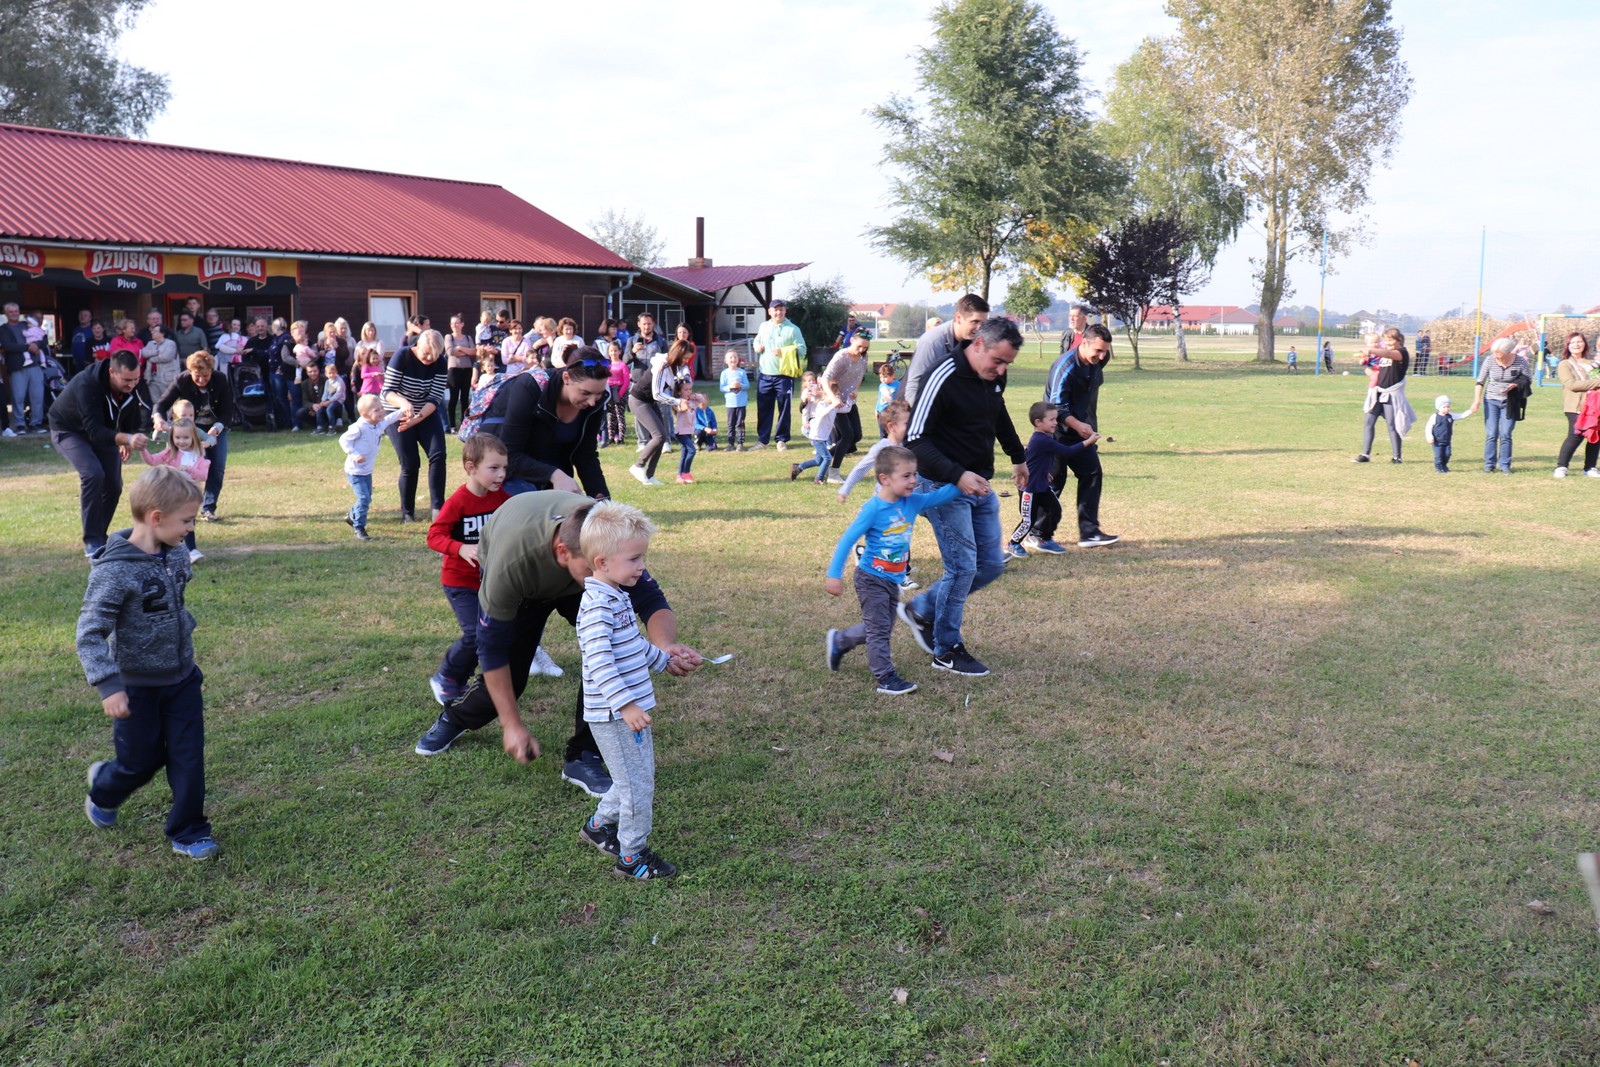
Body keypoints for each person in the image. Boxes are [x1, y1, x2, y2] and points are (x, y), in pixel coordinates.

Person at [410, 490, 704, 803]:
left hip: (574, 585)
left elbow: (649, 598)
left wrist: (665, 646)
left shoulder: (603, 541)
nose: (601, 574)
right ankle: (455, 718)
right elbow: (491, 650)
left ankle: (582, 757)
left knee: (613, 656)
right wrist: (512, 725)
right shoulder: (511, 564)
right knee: (512, 677)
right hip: (524, 588)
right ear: (565, 552)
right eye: (592, 568)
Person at [77, 465, 217, 859]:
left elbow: (175, 604)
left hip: (183, 678)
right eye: (186, 520)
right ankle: (106, 786)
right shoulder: (114, 570)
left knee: (188, 756)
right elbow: (89, 631)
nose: (191, 527)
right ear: (156, 518)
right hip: (138, 686)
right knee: (140, 761)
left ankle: (189, 830)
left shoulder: (175, 555)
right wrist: (109, 684)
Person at [899, 317, 1028, 677]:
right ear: (977, 345)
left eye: (1007, 364)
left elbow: (997, 414)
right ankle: (946, 649)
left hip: (979, 484)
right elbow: (914, 441)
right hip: (940, 486)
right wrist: (957, 475)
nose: (1001, 370)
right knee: (962, 568)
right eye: (997, 361)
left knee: (990, 565)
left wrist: (1018, 457)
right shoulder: (942, 377)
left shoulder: (993, 377)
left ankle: (922, 609)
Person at [574, 500, 683, 880]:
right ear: (602, 562)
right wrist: (626, 707)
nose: (642, 567)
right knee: (638, 788)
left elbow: (632, 644)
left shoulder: (616, 595)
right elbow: (600, 663)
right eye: (635, 559)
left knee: (633, 780)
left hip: (626, 713)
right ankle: (632, 856)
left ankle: (599, 825)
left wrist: (663, 659)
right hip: (615, 716)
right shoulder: (596, 608)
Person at [824, 444, 962, 696]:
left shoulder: (911, 502)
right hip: (871, 579)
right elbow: (846, 540)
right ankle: (885, 677)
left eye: (915, 474)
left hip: (892, 579)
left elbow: (940, 496)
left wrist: (965, 478)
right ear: (884, 480)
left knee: (880, 627)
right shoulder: (873, 509)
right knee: (879, 631)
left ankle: (840, 641)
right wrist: (834, 575)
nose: (914, 481)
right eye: (907, 476)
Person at [427, 433, 512, 705]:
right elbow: (434, 536)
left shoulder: (501, 499)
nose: (501, 475)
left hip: (488, 583)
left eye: (504, 468)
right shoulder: (458, 502)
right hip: (460, 583)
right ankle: (446, 677)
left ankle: (461, 680)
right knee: (476, 633)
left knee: (492, 632)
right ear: (471, 468)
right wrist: (460, 548)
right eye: (494, 468)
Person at [49, 350, 150, 556]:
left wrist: (126, 437)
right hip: (69, 429)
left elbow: (131, 412)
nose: (132, 384)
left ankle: (100, 536)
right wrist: (127, 438)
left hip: (104, 431)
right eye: (127, 380)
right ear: (112, 372)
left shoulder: (134, 384)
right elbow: (94, 430)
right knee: (93, 474)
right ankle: (93, 541)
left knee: (113, 484)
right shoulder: (88, 384)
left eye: (136, 379)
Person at [485, 347, 610, 498]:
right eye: (585, 393)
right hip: (510, 474)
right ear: (566, 378)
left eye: (598, 394)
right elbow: (508, 454)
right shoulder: (529, 387)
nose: (592, 402)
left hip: (553, 473)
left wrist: (603, 501)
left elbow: (585, 455)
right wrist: (554, 474)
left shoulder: (595, 402)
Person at [1047, 323, 1120, 548]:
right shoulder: (1065, 366)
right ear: (1084, 343)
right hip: (1056, 434)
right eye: (1097, 350)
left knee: (1092, 473)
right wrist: (1078, 425)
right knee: (1052, 482)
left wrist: (1084, 426)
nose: (1101, 355)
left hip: (1082, 433)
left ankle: (1089, 532)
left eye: (1105, 351)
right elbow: (1056, 406)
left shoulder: (1098, 361)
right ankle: (1038, 533)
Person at [1007, 402, 1098, 558]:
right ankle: (1013, 544)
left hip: (1042, 485)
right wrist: (1089, 441)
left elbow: (1034, 457)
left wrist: (1043, 472)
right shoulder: (1041, 439)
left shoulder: (1044, 438)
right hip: (1030, 489)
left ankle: (1044, 538)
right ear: (1038, 422)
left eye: (1056, 419)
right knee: (1028, 521)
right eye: (1052, 420)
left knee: (1054, 510)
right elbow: (1066, 451)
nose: (1056, 423)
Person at [152, 352, 234, 523]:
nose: (202, 380)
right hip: (189, 429)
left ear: (212, 371)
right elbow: (161, 404)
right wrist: (158, 418)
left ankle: (208, 508)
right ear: (190, 371)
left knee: (217, 467)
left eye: (206, 376)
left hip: (215, 427)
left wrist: (216, 430)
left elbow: (227, 411)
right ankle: (180, 507)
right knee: (183, 468)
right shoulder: (181, 380)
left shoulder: (221, 379)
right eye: (197, 376)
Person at [383, 328, 450, 521]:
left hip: (425, 413)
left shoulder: (441, 363)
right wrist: (404, 404)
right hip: (396, 412)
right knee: (410, 463)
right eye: (425, 353)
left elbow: (436, 397)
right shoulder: (401, 356)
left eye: (434, 355)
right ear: (417, 346)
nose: (429, 358)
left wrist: (417, 417)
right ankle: (407, 513)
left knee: (438, 455)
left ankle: (438, 509)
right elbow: (388, 391)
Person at [139, 417, 210, 562]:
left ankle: (192, 550)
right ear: (172, 437)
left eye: (186, 437)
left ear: (193, 438)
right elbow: (152, 461)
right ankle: (161, 549)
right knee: (168, 521)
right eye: (177, 437)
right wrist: (142, 449)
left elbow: (203, 475)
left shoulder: (199, 456)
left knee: (187, 522)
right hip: (170, 495)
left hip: (189, 496)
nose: (181, 441)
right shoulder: (170, 452)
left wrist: (189, 470)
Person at [902, 294, 989, 408]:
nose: (979, 328)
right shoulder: (932, 342)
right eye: (974, 322)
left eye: (983, 323)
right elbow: (914, 387)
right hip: (915, 412)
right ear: (958, 318)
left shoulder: (976, 342)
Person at [339, 394, 405, 541]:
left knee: (367, 499)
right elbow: (343, 440)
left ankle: (352, 515)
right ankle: (359, 528)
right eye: (377, 410)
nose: (382, 411)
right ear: (365, 414)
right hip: (355, 471)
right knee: (363, 498)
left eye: (382, 407)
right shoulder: (359, 427)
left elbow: (389, 419)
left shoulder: (378, 423)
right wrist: (355, 455)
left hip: (366, 471)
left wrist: (403, 410)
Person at [1462, 336, 1529, 474]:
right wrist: (1477, 400)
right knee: (1492, 433)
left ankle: (1505, 464)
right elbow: (1480, 381)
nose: (1497, 357)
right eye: (1495, 354)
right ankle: (1489, 464)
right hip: (1491, 400)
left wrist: (1515, 384)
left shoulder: (1520, 361)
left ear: (1508, 352)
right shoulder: (1490, 360)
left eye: (1500, 354)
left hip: (1510, 401)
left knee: (1506, 433)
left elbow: (1528, 379)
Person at [750, 299, 807, 449]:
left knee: (784, 408)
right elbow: (756, 341)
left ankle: (781, 440)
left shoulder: (793, 329)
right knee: (763, 408)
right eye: (775, 310)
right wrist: (757, 347)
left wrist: (784, 351)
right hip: (765, 374)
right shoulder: (764, 326)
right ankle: (762, 441)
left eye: (781, 310)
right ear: (769, 312)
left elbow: (802, 350)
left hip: (784, 376)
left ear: (785, 311)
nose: (778, 312)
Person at [1352, 328, 1414, 465]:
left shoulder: (1401, 353)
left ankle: (1397, 456)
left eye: (1391, 340)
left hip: (1391, 394)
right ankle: (1365, 454)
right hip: (1378, 393)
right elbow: (1374, 368)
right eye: (1385, 340)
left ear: (1399, 340)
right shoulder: (1383, 354)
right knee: (1369, 422)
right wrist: (1368, 369)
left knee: (1392, 424)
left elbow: (1388, 353)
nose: (1388, 343)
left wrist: (1371, 350)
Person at [627, 335, 678, 486]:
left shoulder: (673, 367)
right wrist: (678, 402)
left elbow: (676, 387)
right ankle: (638, 466)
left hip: (649, 401)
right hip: (638, 400)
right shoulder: (661, 364)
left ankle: (649, 476)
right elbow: (657, 394)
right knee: (659, 435)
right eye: (686, 356)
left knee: (661, 437)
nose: (687, 360)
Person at [838, 398, 911, 501]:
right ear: (891, 427)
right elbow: (861, 469)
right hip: (882, 501)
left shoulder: (910, 445)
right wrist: (845, 490)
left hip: (902, 502)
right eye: (907, 424)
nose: (912, 426)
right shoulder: (881, 448)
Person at [822, 331, 871, 478]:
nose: (862, 350)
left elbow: (859, 376)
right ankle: (833, 472)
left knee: (856, 436)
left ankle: (817, 460)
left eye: (865, 347)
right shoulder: (841, 357)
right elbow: (825, 378)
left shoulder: (863, 357)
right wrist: (833, 398)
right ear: (851, 341)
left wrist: (856, 389)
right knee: (847, 436)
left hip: (849, 402)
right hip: (836, 402)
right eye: (859, 346)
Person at [1552, 332, 1600, 478]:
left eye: (1579, 342)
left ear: (1585, 344)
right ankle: (1562, 466)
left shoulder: (1591, 362)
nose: (1576, 345)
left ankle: (1590, 467)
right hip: (1575, 406)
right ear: (1568, 345)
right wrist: (1597, 383)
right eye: (1573, 342)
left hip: (1594, 406)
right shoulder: (1565, 364)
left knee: (1595, 436)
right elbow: (1572, 384)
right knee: (1575, 435)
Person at [1, 302, 46, 435]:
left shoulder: (26, 324)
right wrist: (28, 347)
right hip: (16, 368)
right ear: (6, 314)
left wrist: (37, 345)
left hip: (35, 365)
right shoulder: (3, 329)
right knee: (18, 397)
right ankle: (20, 425)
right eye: (11, 312)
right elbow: (8, 346)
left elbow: (42, 338)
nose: (14, 313)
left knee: (37, 396)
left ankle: (36, 423)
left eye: (16, 311)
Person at [790, 372, 839, 485]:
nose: (837, 397)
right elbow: (821, 414)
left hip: (822, 437)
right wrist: (834, 404)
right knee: (827, 458)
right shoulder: (822, 405)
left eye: (837, 395)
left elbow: (846, 409)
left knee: (818, 460)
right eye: (835, 395)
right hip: (816, 437)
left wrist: (850, 400)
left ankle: (798, 468)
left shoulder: (833, 406)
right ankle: (819, 478)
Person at [444, 314, 477, 432]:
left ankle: (465, 424)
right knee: (453, 398)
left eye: (457, 323)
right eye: (452, 323)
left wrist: (460, 348)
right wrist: (464, 351)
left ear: (462, 324)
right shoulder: (449, 337)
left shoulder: (468, 338)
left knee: (464, 398)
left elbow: (474, 351)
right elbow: (450, 352)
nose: (454, 325)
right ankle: (452, 426)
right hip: (454, 370)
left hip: (467, 369)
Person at [670, 378, 700, 484]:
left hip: (688, 431)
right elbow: (682, 408)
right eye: (686, 390)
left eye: (690, 389)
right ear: (679, 392)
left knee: (684, 453)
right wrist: (685, 403)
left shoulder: (692, 401)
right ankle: (686, 472)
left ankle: (680, 476)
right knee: (692, 450)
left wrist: (694, 396)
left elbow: (703, 400)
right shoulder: (678, 403)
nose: (689, 392)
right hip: (680, 433)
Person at [719, 350, 749, 450]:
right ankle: (731, 443)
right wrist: (730, 387)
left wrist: (740, 385)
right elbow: (722, 388)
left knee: (740, 423)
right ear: (726, 360)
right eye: (731, 357)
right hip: (730, 404)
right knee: (730, 424)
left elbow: (747, 385)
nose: (733, 359)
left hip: (741, 403)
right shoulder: (724, 373)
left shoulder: (742, 372)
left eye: (735, 357)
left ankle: (740, 442)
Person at [1423, 395, 1460, 474]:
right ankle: (1438, 468)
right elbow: (1428, 427)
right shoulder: (1435, 417)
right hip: (1437, 441)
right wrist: (1429, 437)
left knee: (1447, 454)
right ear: (1439, 407)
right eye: (1444, 407)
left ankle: (1444, 466)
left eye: (1448, 407)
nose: (1446, 409)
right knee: (1439, 456)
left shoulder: (1450, 416)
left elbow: (1461, 416)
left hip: (1447, 441)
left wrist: (1471, 411)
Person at [605, 342, 631, 445]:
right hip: (609, 391)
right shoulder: (607, 365)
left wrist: (620, 394)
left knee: (620, 415)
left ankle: (621, 437)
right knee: (611, 415)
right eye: (611, 351)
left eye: (615, 350)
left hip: (619, 391)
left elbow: (626, 381)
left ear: (620, 351)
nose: (613, 353)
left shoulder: (623, 365)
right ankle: (611, 436)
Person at [312, 360, 348, 434]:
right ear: (326, 374)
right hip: (329, 399)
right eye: (329, 373)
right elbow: (326, 392)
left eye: (333, 373)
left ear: (336, 372)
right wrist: (323, 401)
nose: (332, 375)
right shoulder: (327, 382)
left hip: (338, 400)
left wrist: (329, 401)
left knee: (329, 409)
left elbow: (339, 394)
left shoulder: (339, 381)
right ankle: (320, 427)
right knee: (319, 408)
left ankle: (332, 427)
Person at [873, 362, 900, 438]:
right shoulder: (881, 385)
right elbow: (879, 398)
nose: (883, 379)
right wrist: (876, 409)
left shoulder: (898, 385)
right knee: (883, 433)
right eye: (881, 377)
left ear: (892, 376)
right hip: (881, 412)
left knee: (892, 432)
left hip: (892, 412)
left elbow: (900, 399)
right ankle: (883, 448)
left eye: (885, 377)